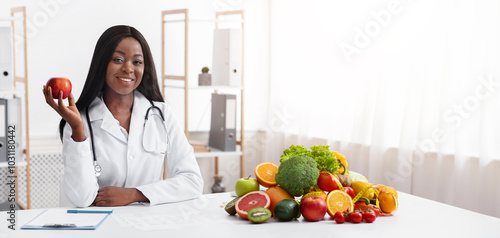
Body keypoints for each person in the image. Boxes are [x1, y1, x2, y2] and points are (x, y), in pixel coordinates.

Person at [42, 25, 204, 207]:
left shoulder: (162, 114)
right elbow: (81, 198)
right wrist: (78, 130)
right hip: (100, 228)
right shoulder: (79, 121)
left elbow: (192, 181)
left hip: (148, 225)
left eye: (137, 62)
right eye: (118, 59)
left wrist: (135, 194)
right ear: (102, 63)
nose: (128, 68)